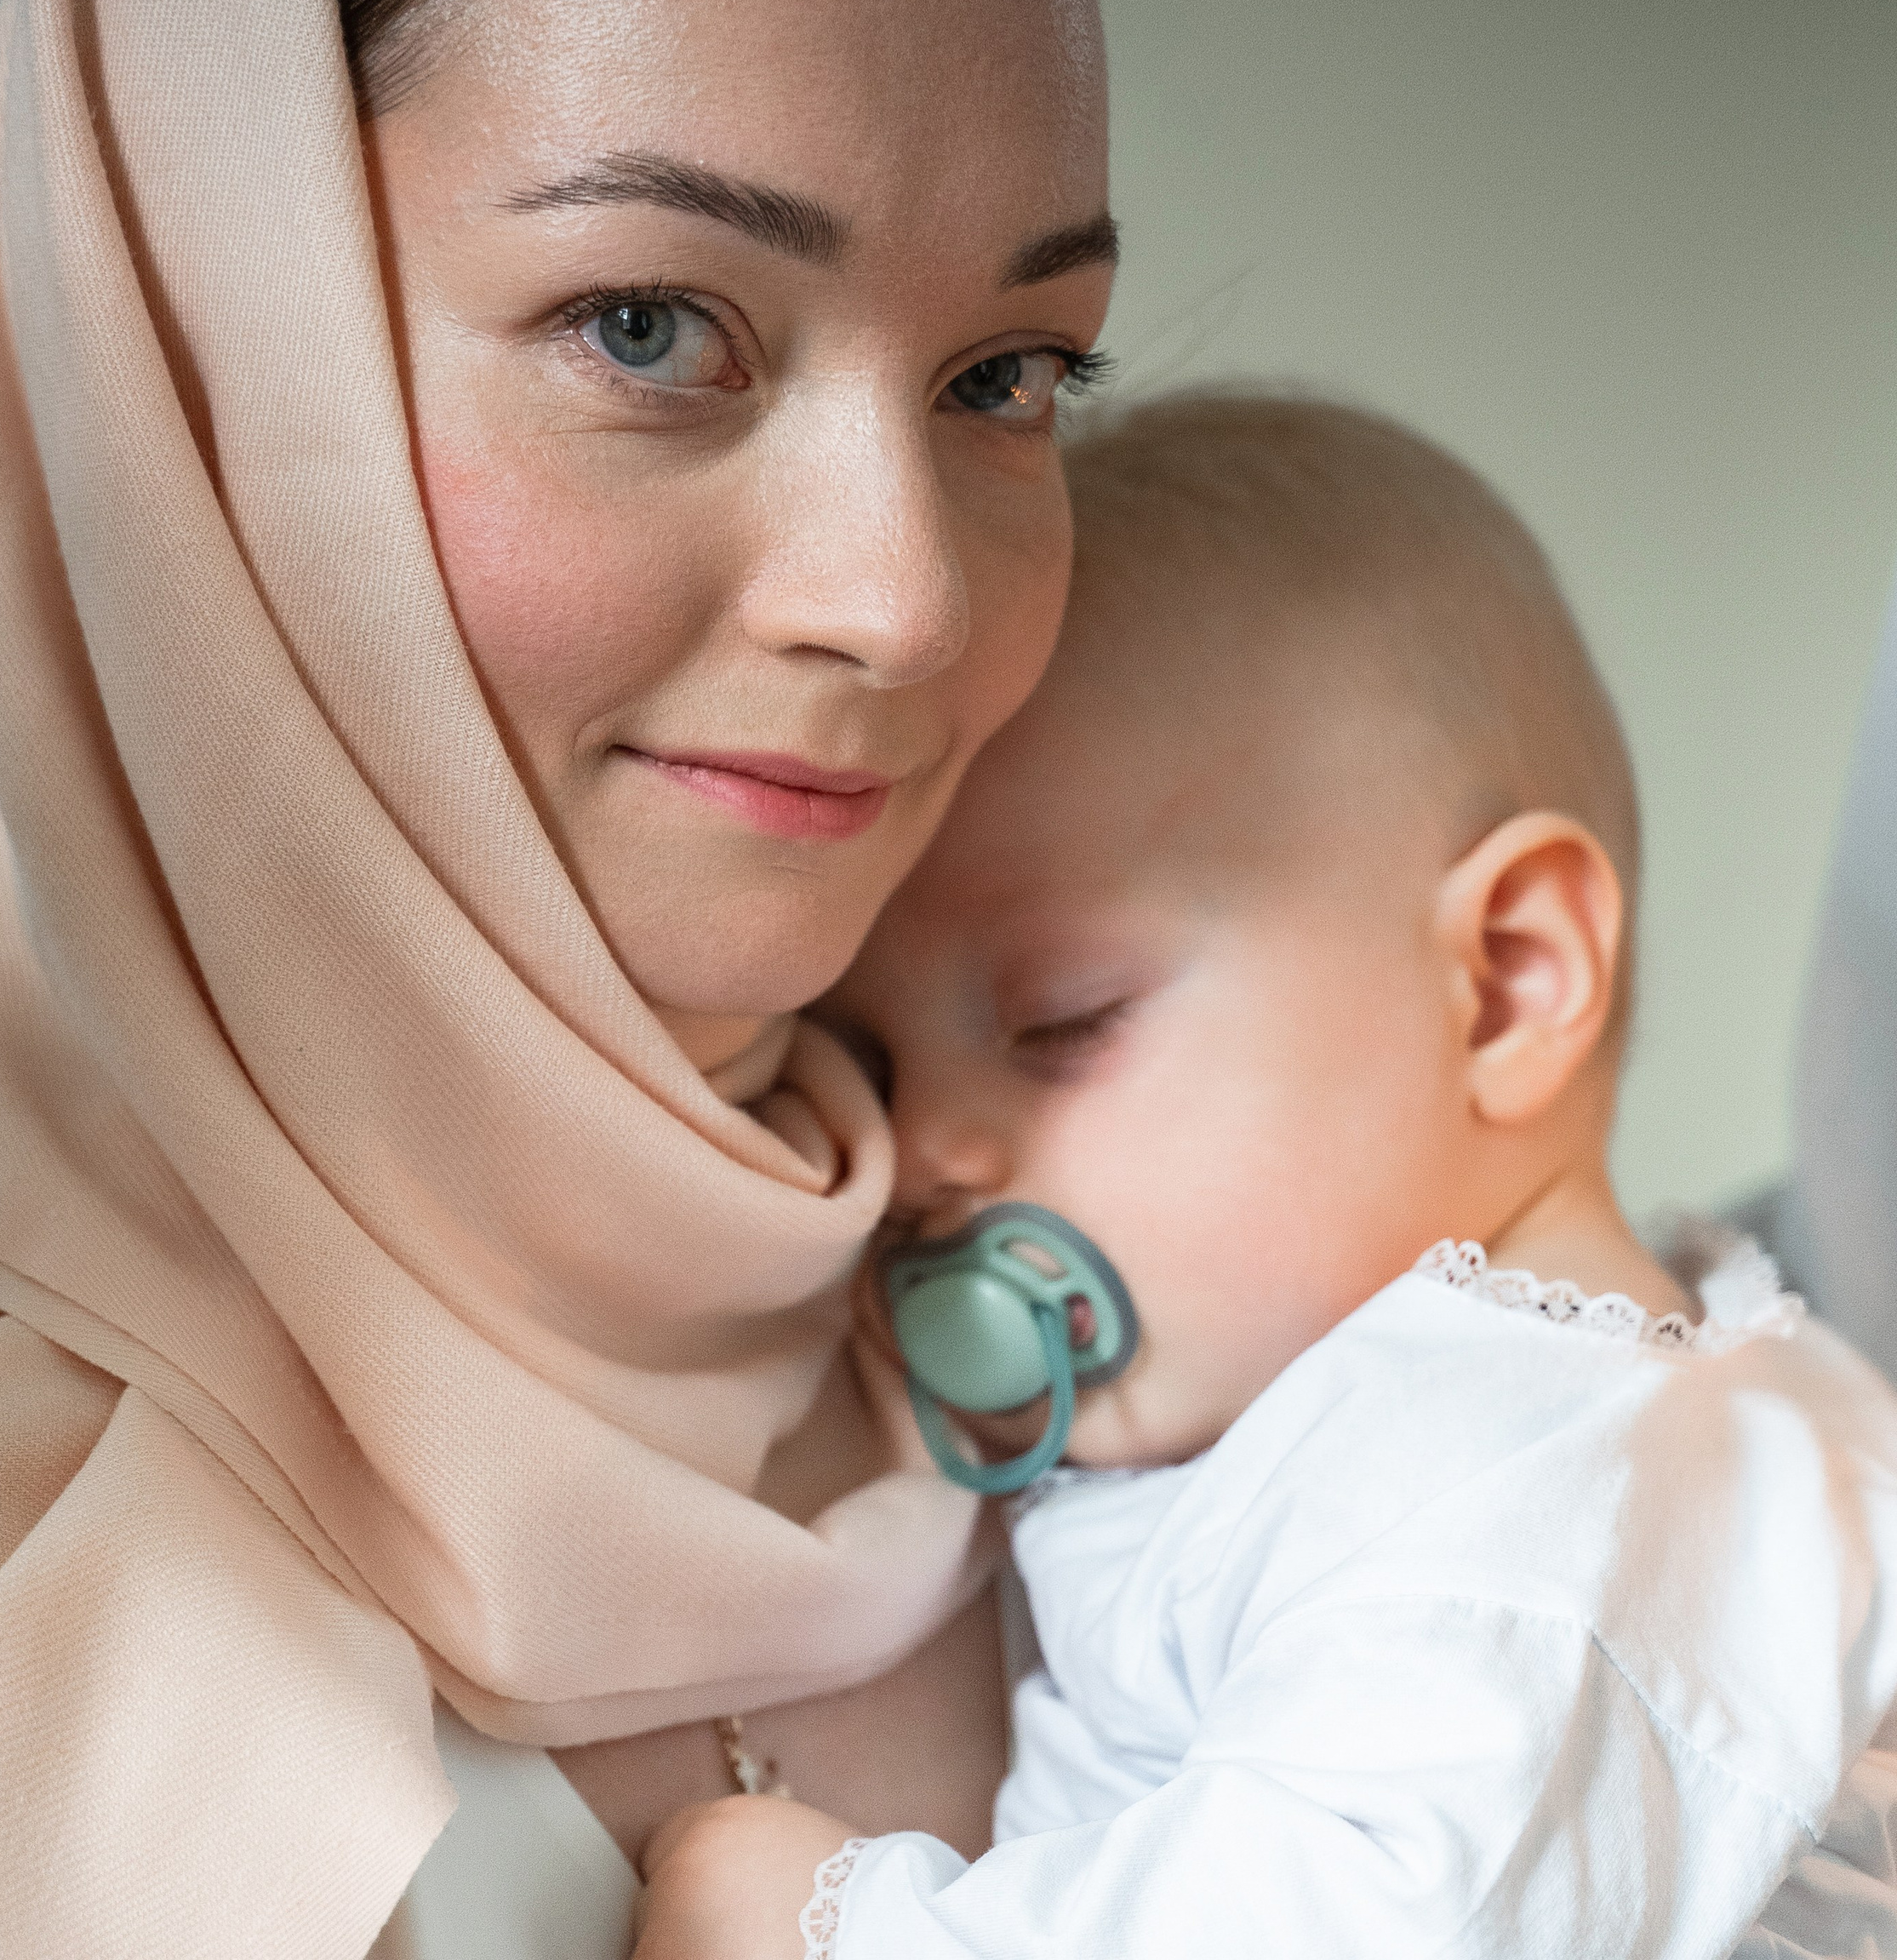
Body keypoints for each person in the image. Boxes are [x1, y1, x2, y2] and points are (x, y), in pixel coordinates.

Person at [0, 0, 1118, 1953]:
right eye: (649, 325)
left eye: (1003, 373)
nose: (903, 598)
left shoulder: (1168, 1354)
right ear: (192, 358)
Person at [630, 394, 1897, 1960]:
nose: (927, 1157)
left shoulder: (1534, 1490)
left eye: (1060, 1023)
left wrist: (823, 1929)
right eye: (876, 1064)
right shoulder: (1469, 1422)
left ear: (1506, 983)